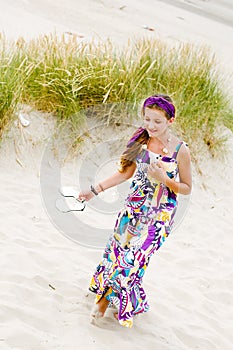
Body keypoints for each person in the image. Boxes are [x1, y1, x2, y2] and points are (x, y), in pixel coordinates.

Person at [78, 94, 192, 328]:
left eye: (157, 121)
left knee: (135, 258)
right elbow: (124, 173)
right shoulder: (140, 141)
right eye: (147, 119)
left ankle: (104, 300)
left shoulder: (181, 150)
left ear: (171, 120)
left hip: (160, 215)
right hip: (134, 209)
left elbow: (186, 188)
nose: (151, 126)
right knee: (116, 254)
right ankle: (128, 300)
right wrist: (94, 190)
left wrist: (164, 179)